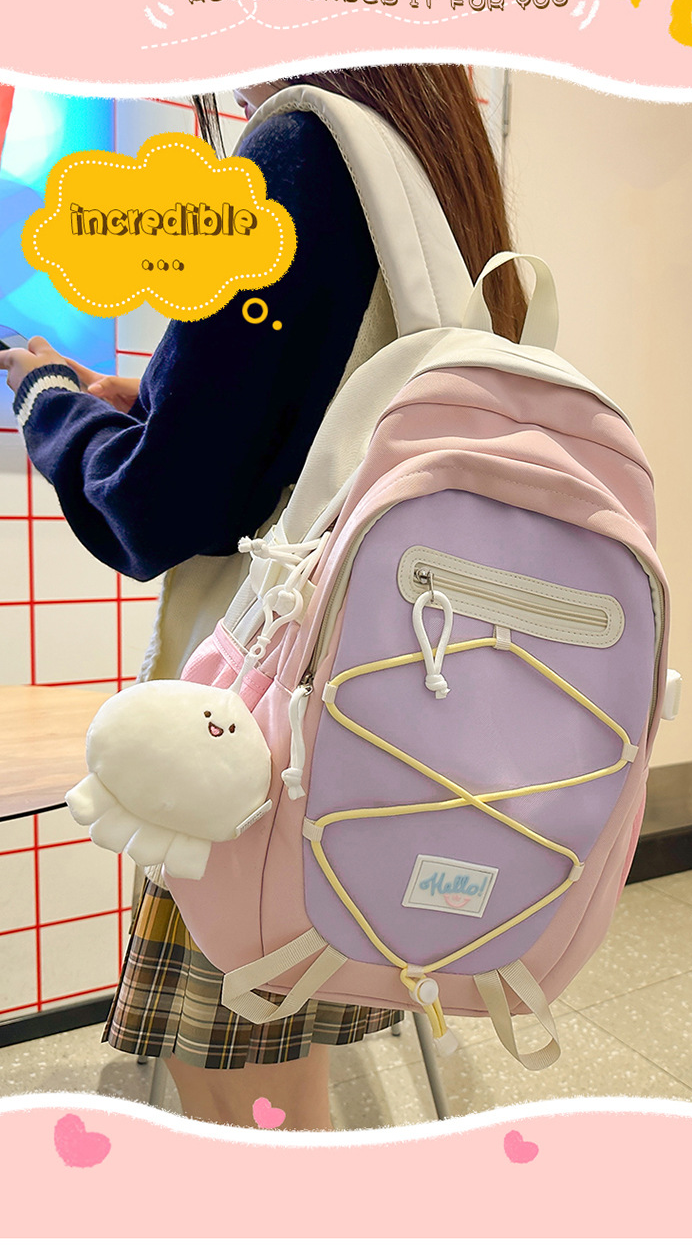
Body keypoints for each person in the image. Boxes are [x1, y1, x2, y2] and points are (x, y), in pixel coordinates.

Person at [0, 66, 527, 1130]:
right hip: (383, 738)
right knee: (277, 1096)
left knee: (246, 1111)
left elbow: (155, 508)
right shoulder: (432, 174)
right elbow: (323, 422)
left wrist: (48, 394)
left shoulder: (302, 149)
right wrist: (157, 402)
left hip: (251, 748)